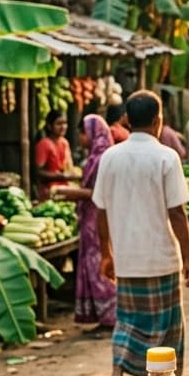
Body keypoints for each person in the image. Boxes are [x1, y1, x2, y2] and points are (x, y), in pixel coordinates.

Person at [93, 91, 189, 376]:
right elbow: (177, 213)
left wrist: (107, 253)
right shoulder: (166, 157)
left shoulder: (110, 157)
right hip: (161, 257)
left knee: (127, 321)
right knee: (168, 327)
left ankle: (116, 374)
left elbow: (100, 209)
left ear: (127, 119)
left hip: (127, 258)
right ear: (158, 120)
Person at [51, 114, 116, 333]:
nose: (79, 138)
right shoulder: (98, 155)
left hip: (99, 217)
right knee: (93, 264)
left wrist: (69, 192)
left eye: (81, 133)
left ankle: (110, 314)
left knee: (99, 264)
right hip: (92, 218)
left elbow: (98, 193)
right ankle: (101, 313)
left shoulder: (101, 158)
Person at [34, 110, 80, 201]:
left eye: (65, 123)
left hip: (65, 188)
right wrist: (62, 176)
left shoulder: (64, 142)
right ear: (49, 126)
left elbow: (68, 167)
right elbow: (38, 173)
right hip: (49, 191)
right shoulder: (44, 144)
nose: (63, 127)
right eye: (59, 124)